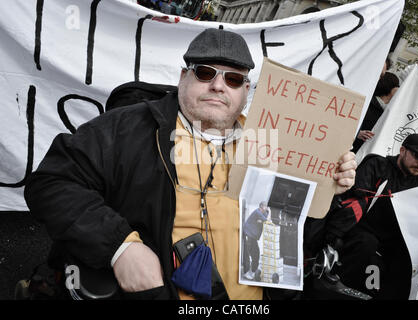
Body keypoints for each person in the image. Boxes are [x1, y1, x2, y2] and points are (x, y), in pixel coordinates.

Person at [24, 28, 357, 300]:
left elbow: (293, 236)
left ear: (246, 91)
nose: (217, 85)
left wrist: (326, 189)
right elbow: (51, 183)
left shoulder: (268, 143)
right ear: (184, 76)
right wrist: (120, 247)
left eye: (233, 79)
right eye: (205, 72)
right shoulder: (127, 128)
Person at [312, 133, 418, 299]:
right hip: (364, 228)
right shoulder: (378, 164)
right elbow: (357, 195)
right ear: (402, 150)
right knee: (366, 244)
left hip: (396, 238)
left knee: (406, 263)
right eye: (417, 156)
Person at [352, 72, 400, 153]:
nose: (399, 89)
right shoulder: (367, 104)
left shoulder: (389, 112)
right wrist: (357, 133)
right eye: (397, 86)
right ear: (391, 89)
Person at [242, 201, 271, 280]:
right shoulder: (257, 212)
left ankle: (254, 271)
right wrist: (270, 211)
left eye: (266, 207)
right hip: (248, 234)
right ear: (261, 206)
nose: (266, 208)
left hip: (253, 237)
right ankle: (246, 272)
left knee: (256, 253)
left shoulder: (262, 213)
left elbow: (268, 219)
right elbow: (267, 220)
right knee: (247, 253)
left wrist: (268, 213)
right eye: (265, 207)